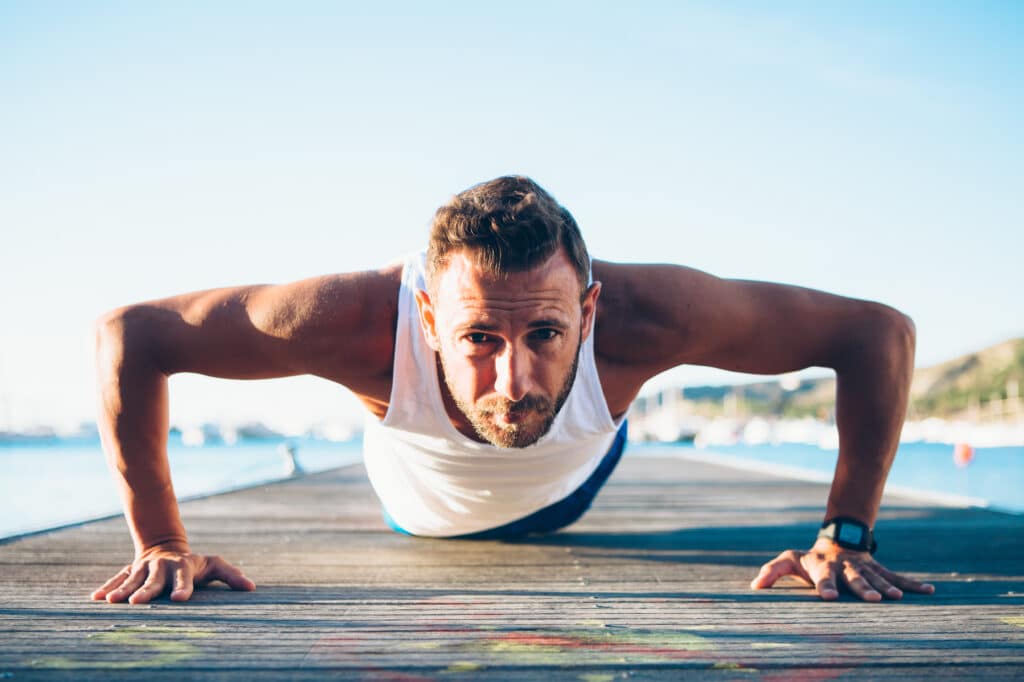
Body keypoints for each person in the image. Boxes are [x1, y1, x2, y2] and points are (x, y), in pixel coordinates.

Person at [90, 176, 935, 605]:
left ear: (590, 306)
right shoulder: (353, 325)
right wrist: (161, 540)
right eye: (478, 340)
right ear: (426, 317)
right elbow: (132, 336)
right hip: (415, 499)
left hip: (578, 476)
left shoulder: (650, 320)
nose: (515, 381)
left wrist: (846, 534)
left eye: (546, 335)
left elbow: (877, 334)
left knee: (581, 416)